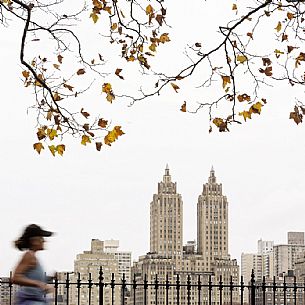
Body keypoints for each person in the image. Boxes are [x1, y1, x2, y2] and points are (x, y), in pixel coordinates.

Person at [12, 224, 54, 305]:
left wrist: (49, 278)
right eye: (42, 238)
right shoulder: (28, 256)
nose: (44, 241)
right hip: (30, 301)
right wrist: (38, 284)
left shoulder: (33, 256)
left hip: (37, 300)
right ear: (34, 241)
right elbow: (16, 277)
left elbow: (31, 277)